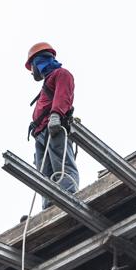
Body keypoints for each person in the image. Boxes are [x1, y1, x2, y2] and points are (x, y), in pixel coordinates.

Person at [25, 42, 80, 207]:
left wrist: (56, 115)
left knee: (62, 166)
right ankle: (49, 206)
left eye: (32, 67)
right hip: (41, 132)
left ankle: (69, 196)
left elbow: (63, 95)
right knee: (44, 174)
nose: (32, 72)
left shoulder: (61, 74)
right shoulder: (46, 84)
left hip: (53, 128)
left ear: (37, 62)